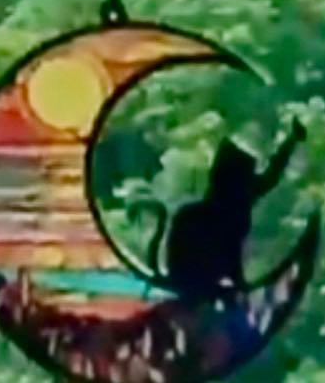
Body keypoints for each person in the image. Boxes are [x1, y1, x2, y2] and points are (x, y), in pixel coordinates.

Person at [129, 118, 307, 302]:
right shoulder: (223, 213)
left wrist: (291, 141)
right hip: (197, 281)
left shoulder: (204, 211)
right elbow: (230, 255)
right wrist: (237, 285)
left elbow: (270, 177)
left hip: (196, 281)